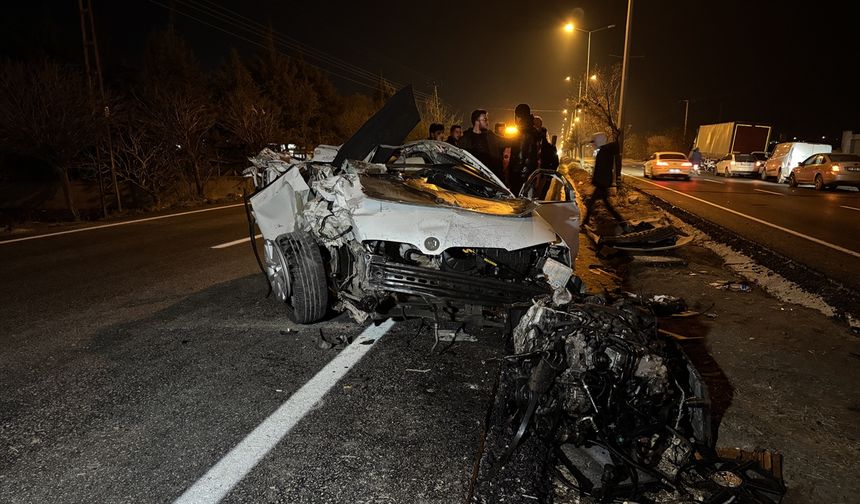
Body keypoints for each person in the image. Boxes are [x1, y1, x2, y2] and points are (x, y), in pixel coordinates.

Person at [581, 132, 625, 229]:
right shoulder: (604, 151)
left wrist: (597, 181)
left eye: (594, 142)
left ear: (599, 141)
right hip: (602, 183)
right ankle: (622, 222)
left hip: (601, 184)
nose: (593, 144)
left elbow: (602, 169)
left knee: (592, 204)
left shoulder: (603, 153)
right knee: (606, 205)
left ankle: (584, 224)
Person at [506, 103, 541, 194]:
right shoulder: (533, 131)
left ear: (518, 117)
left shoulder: (523, 132)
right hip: (530, 175)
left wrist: (511, 177)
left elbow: (520, 157)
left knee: (519, 204)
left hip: (520, 177)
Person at [459, 109, 502, 176]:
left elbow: (505, 141)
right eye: (485, 120)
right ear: (477, 121)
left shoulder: (490, 136)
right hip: (474, 176)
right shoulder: (465, 139)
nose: (487, 122)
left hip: (490, 175)